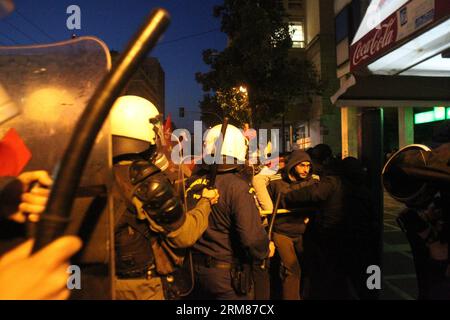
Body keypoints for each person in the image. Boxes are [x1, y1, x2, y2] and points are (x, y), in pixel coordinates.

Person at [110, 95, 219, 300]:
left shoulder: (92, 172)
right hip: (140, 288)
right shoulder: (144, 178)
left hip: (99, 282)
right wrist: (205, 203)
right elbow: (184, 236)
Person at [186, 124, 271, 300]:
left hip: (193, 275)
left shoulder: (191, 184)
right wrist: (265, 248)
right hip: (226, 277)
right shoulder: (236, 187)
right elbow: (251, 238)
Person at [281, 145, 350, 299]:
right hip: (344, 231)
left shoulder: (331, 179)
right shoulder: (346, 177)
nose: (309, 169)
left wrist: (288, 197)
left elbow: (315, 193)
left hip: (330, 231)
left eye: (311, 164)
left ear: (323, 162)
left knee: (324, 273)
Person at [268, 150, 318, 300]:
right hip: (282, 231)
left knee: (307, 268)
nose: (306, 169)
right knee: (292, 269)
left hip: (304, 231)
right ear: (293, 165)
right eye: (302, 165)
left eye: (308, 166)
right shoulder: (275, 181)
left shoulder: (313, 181)